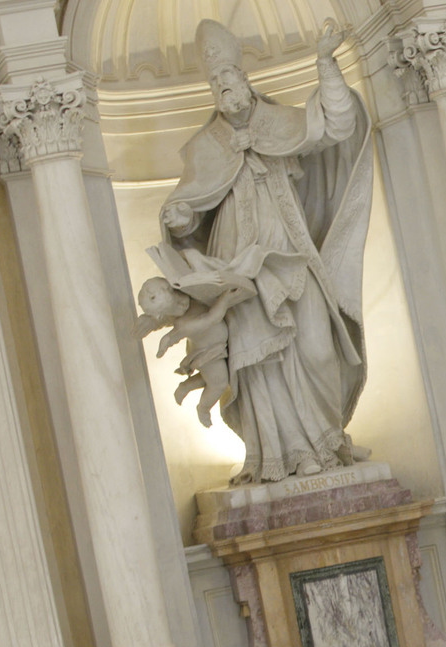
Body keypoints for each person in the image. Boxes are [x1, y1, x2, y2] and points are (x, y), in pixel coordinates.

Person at [153, 18, 374, 484]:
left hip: (291, 251)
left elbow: (337, 124)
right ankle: (282, 452)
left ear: (246, 80)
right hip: (239, 268)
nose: (223, 88)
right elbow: (189, 207)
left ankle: (327, 439)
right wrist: (180, 217)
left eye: (228, 79)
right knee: (260, 364)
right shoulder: (204, 147)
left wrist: (324, 64)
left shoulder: (279, 122)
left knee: (316, 348)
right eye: (215, 84)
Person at [134, 277, 248, 427]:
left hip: (219, 346)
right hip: (207, 354)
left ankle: (186, 386)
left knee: (212, 378)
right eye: (175, 305)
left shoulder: (191, 298)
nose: (182, 302)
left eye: (176, 294)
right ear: (164, 314)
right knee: (219, 383)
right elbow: (211, 318)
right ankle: (203, 407)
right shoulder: (183, 324)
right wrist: (225, 299)